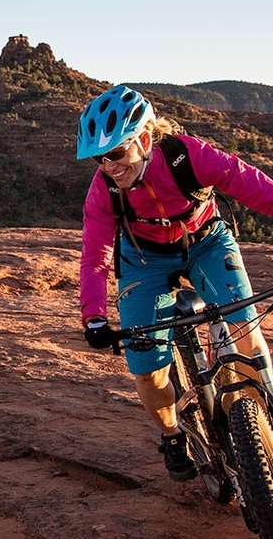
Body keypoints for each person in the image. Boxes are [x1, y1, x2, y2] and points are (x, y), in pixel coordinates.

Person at [78, 84, 273, 480]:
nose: (109, 166)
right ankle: (171, 434)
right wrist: (94, 316)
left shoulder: (189, 156)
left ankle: (262, 417)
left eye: (115, 153)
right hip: (143, 259)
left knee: (247, 335)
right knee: (148, 369)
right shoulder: (103, 191)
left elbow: (251, 185)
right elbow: (95, 255)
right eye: (99, 158)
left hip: (207, 243)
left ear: (144, 138)